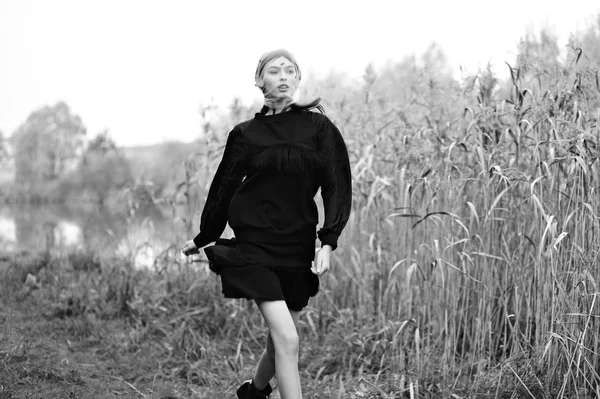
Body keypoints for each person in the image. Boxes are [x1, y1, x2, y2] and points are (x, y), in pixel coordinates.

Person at [182, 48, 352, 399]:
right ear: (260, 81)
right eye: (275, 71)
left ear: (299, 79)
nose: (284, 76)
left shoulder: (319, 128)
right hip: (254, 246)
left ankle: (253, 393)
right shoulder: (245, 134)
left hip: (297, 245)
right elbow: (223, 190)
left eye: (291, 71)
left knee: (278, 343)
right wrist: (204, 237)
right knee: (288, 338)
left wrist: (328, 242)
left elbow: (336, 184)